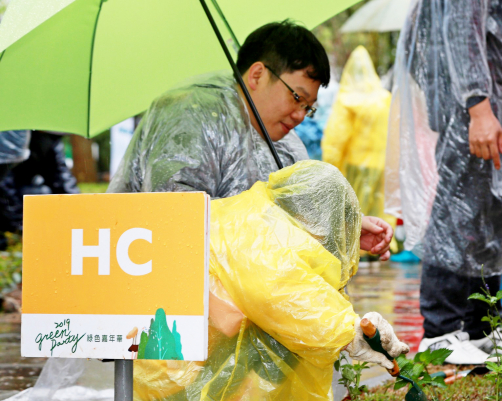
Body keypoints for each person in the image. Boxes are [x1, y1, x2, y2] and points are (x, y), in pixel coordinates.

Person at [133, 161, 409, 401]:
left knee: (271, 329)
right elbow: (288, 300)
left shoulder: (259, 213)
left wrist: (351, 227)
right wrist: (350, 332)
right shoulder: (262, 242)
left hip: (170, 362)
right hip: (172, 379)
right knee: (274, 331)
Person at [109, 20, 393, 260]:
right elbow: (174, 218)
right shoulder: (191, 114)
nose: (299, 115)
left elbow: (300, 214)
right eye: (297, 97)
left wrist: (344, 230)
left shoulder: (287, 144)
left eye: (308, 107)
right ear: (257, 75)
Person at [386, 0, 502, 363]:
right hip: (472, 94)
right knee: (460, 206)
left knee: (495, 209)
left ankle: (483, 328)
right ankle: (441, 331)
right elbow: (461, 26)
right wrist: (477, 106)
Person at [322, 46, 396, 257]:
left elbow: (336, 137)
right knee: (377, 206)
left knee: (356, 208)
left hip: (355, 163)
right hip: (380, 163)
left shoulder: (347, 100)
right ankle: (382, 243)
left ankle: (358, 251)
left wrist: (329, 168)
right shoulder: (384, 98)